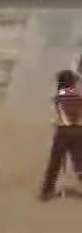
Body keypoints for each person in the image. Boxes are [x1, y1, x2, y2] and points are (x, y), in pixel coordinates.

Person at [40, 70, 82, 200]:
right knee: (80, 162)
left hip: (62, 131)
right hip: (78, 129)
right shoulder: (78, 95)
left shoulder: (59, 96)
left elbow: (56, 115)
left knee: (55, 163)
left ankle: (47, 191)